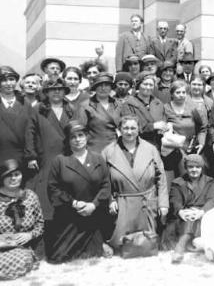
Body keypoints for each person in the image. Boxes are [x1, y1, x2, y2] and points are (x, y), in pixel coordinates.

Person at [46, 121, 111, 262]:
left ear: (87, 137)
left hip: (94, 215)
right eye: (73, 137)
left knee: (94, 255)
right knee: (59, 257)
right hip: (70, 216)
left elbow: (106, 186)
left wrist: (93, 205)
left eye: (81, 135)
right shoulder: (60, 161)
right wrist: (74, 203)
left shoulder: (98, 158)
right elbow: (53, 189)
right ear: (68, 140)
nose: (77, 140)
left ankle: (101, 242)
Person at [102, 116, 169, 251]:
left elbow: (161, 177)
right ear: (119, 130)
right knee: (121, 247)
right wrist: (111, 199)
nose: (129, 132)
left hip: (147, 202)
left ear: (138, 130)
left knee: (147, 245)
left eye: (133, 128)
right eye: (125, 128)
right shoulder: (108, 151)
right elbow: (103, 180)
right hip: (122, 203)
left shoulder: (150, 149)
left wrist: (163, 204)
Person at [29, 79, 86, 222]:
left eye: (60, 89)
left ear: (64, 92)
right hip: (45, 158)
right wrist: (31, 156)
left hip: (68, 156)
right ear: (46, 92)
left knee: (67, 191)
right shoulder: (38, 109)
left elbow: (78, 133)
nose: (56, 92)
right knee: (45, 194)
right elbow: (29, 133)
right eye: (52, 89)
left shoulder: (72, 109)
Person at [168, 154, 214, 263]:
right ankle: (183, 244)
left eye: (198, 167)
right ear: (186, 168)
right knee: (189, 218)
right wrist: (180, 211)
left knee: (194, 219)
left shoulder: (210, 181)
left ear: (202, 168)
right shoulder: (178, 182)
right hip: (184, 216)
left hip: (203, 214)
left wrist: (201, 211)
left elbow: (212, 200)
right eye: (191, 167)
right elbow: (174, 200)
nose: (194, 170)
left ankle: (180, 246)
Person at [119, 71, 169, 149]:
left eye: (151, 85)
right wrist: (153, 126)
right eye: (145, 84)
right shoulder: (128, 104)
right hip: (137, 145)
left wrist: (164, 127)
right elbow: (129, 127)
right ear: (138, 85)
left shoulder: (158, 103)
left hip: (158, 145)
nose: (148, 87)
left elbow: (164, 119)